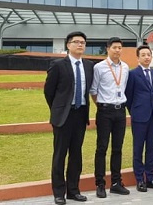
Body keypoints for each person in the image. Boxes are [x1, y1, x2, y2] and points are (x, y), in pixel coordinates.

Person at [44, 31, 94, 205]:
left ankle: (73, 190)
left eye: (83, 42)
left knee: (76, 155)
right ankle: (59, 193)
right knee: (59, 155)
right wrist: (59, 109)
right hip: (63, 116)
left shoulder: (88, 66)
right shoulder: (58, 65)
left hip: (80, 115)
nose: (80, 45)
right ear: (68, 45)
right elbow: (49, 91)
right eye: (76, 42)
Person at [90, 37, 130, 198]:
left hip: (120, 111)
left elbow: (124, 86)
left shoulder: (126, 67)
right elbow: (93, 91)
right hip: (105, 111)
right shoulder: (99, 67)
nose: (117, 50)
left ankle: (116, 183)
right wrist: (101, 106)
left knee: (118, 148)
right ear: (108, 48)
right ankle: (100, 184)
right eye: (114, 47)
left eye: (120, 47)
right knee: (102, 148)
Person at [125, 45, 153, 192]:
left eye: (149, 54)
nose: (147, 57)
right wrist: (134, 111)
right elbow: (128, 96)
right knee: (138, 149)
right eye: (143, 55)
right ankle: (140, 179)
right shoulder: (133, 74)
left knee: (152, 149)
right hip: (139, 117)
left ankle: (151, 178)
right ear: (138, 57)